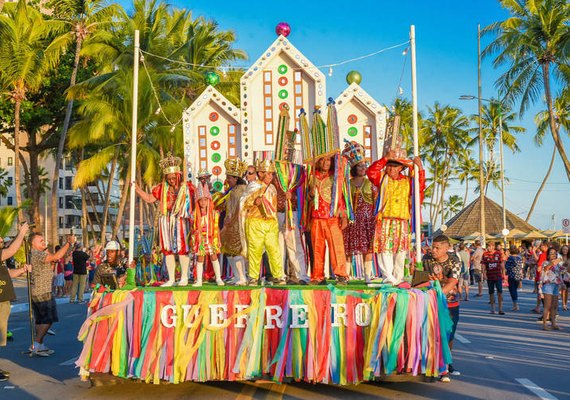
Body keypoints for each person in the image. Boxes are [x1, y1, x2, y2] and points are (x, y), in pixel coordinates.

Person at [134, 152, 195, 287]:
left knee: (182, 248)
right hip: (165, 220)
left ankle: (184, 277)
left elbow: (195, 202)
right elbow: (150, 199)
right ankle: (171, 279)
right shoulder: (161, 188)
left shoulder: (187, 186)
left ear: (178, 175)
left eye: (173, 177)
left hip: (181, 220)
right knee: (167, 249)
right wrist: (138, 190)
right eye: (169, 178)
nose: (171, 180)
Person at [367, 148, 425, 285]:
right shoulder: (382, 179)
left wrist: (420, 169)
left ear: (400, 168)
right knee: (384, 249)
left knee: (401, 252)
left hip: (402, 221)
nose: (390, 168)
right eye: (389, 165)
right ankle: (388, 278)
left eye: (394, 166)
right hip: (385, 220)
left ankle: (398, 278)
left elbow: (420, 188)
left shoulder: (407, 181)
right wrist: (385, 158)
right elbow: (371, 172)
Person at [421, 235, 461, 382]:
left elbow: (453, 282)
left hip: (449, 303)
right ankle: (432, 364)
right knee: (430, 332)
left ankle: (446, 361)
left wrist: (438, 293)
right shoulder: (426, 258)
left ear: (446, 248)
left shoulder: (454, 260)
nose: (434, 250)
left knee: (448, 333)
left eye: (437, 248)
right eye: (433, 247)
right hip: (429, 301)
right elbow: (420, 277)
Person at [29, 233, 76, 356]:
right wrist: (69, 243)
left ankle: (39, 344)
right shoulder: (37, 254)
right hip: (43, 291)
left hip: (37, 290)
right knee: (48, 319)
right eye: (41, 241)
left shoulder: (36, 254)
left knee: (40, 320)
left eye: (44, 240)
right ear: (33, 243)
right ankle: (36, 345)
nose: (44, 242)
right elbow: (57, 256)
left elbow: (54, 258)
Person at [241, 159, 286, 286]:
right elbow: (244, 203)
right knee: (255, 250)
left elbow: (275, 206)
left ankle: (278, 275)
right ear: (261, 174)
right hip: (256, 222)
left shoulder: (272, 188)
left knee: (274, 250)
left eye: (272, 174)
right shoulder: (254, 186)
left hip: (271, 222)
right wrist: (254, 202)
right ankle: (253, 277)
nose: (271, 176)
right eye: (268, 173)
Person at [307, 155, 350, 285]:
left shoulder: (335, 176)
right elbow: (306, 198)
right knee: (317, 248)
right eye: (323, 160)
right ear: (318, 161)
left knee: (337, 247)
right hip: (316, 217)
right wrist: (310, 194)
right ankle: (317, 276)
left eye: (328, 160)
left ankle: (341, 275)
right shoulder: (311, 176)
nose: (326, 163)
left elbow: (340, 197)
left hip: (332, 217)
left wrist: (343, 215)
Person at [342, 140, 378, 283]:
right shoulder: (347, 184)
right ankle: (346, 274)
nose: (363, 168)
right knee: (348, 248)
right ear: (354, 168)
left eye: (364, 165)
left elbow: (376, 201)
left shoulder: (370, 184)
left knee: (367, 248)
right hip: (351, 219)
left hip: (367, 219)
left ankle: (367, 275)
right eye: (360, 166)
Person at [0, 223, 31, 381]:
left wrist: (22, 270)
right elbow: (12, 250)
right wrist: (22, 232)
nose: (1, 240)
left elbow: (7, 274)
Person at [274, 174, 310, 285]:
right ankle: (280, 275)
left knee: (294, 245)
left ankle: (301, 275)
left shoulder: (296, 173)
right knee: (278, 246)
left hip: (291, 212)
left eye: (287, 154)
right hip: (276, 213)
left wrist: (293, 198)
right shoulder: (274, 174)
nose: (285, 155)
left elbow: (304, 195)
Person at [219, 158, 248, 285]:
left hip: (237, 225)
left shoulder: (240, 190)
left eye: (229, 177)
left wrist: (231, 222)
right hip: (229, 225)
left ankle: (242, 277)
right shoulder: (232, 190)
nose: (227, 180)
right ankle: (237, 277)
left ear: (236, 178)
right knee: (228, 251)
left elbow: (240, 209)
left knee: (236, 251)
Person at [192, 183, 224, 287]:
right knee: (200, 259)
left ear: (209, 200)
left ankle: (218, 278)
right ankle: (199, 281)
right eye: (201, 200)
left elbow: (217, 228)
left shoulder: (214, 213)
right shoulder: (195, 214)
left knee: (213, 257)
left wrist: (218, 240)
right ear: (198, 201)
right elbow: (193, 229)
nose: (203, 202)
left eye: (205, 200)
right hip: (201, 240)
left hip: (211, 239)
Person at [539, 247, 565, 330]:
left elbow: (561, 274)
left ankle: (553, 323)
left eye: (554, 253)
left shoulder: (558, 265)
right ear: (548, 255)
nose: (553, 255)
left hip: (555, 286)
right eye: (551, 253)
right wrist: (552, 263)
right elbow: (546, 268)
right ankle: (544, 325)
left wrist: (562, 283)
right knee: (547, 306)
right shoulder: (545, 262)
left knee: (554, 306)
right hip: (548, 286)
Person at [482, 242, 505, 315]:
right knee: (491, 292)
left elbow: (502, 265)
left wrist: (503, 274)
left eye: (490, 246)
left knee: (499, 292)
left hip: (498, 276)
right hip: (490, 276)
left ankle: (500, 309)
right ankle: (493, 309)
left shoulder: (498, 254)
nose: (488, 248)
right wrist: (484, 274)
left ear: (493, 247)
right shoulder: (485, 254)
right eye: (488, 246)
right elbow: (483, 265)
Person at [531, 241, 548, 313]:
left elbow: (539, 263)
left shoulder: (543, 254)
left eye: (541, 246)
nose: (540, 247)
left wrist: (534, 252)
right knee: (541, 292)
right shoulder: (546, 254)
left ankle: (545, 310)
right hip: (544, 276)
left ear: (546, 246)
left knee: (541, 293)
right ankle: (538, 307)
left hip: (541, 276)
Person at [505, 246, 524, 311]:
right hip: (518, 275)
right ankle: (515, 304)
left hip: (512, 275)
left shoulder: (510, 258)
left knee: (512, 290)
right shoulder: (519, 258)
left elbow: (507, 267)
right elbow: (521, 267)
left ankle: (515, 305)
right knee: (515, 290)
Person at [560, 245, 569, 311]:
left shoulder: (569, 257)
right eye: (563, 249)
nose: (565, 251)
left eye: (566, 249)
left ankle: (566, 303)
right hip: (562, 274)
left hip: (568, 275)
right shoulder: (559, 257)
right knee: (563, 289)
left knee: (567, 291)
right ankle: (563, 304)